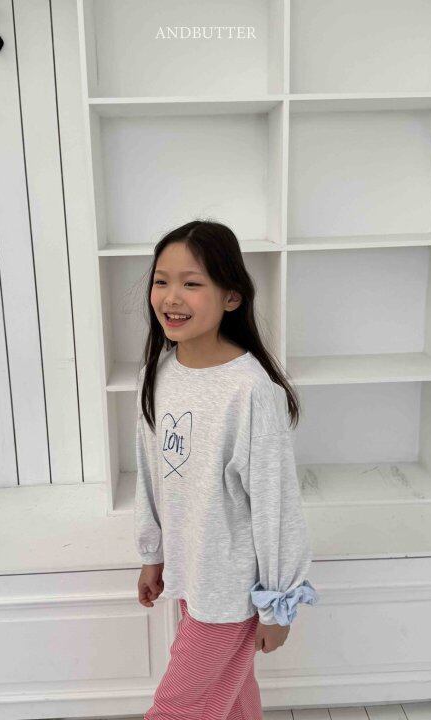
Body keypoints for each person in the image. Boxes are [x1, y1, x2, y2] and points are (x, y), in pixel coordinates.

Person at [134, 219, 318, 719]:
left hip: (230, 594)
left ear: (231, 297)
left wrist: (278, 604)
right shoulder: (159, 374)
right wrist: (153, 554)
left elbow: (276, 506)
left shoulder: (251, 392)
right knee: (232, 702)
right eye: (161, 281)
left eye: (192, 283)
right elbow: (152, 475)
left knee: (175, 712)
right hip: (191, 577)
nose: (172, 297)